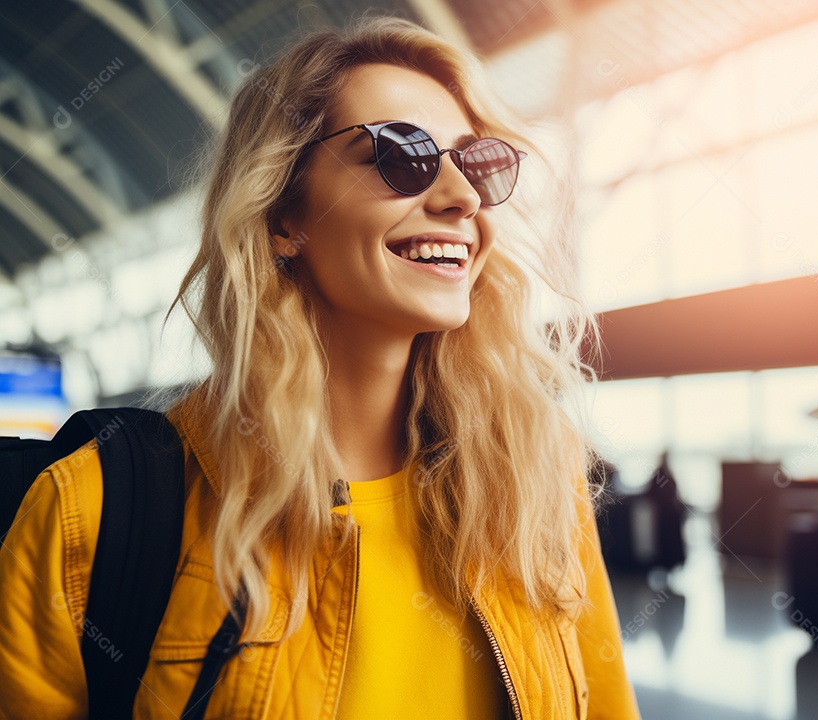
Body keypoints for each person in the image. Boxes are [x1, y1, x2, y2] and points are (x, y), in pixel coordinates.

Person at [0, 14, 640, 720]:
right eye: (402, 156)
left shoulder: (533, 475)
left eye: (476, 164)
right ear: (284, 216)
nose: (461, 199)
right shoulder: (87, 514)